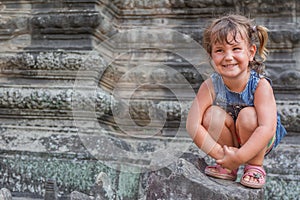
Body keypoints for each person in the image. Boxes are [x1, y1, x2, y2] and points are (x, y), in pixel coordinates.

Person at [186, 14, 287, 189]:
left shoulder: (260, 86)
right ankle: (227, 167)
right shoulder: (210, 85)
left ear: (251, 52)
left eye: (235, 49)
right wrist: (222, 155)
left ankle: (254, 167)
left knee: (248, 115)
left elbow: (267, 128)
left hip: (260, 139)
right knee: (210, 115)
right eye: (219, 50)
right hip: (231, 140)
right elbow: (192, 124)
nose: (228, 57)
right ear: (211, 56)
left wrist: (240, 157)